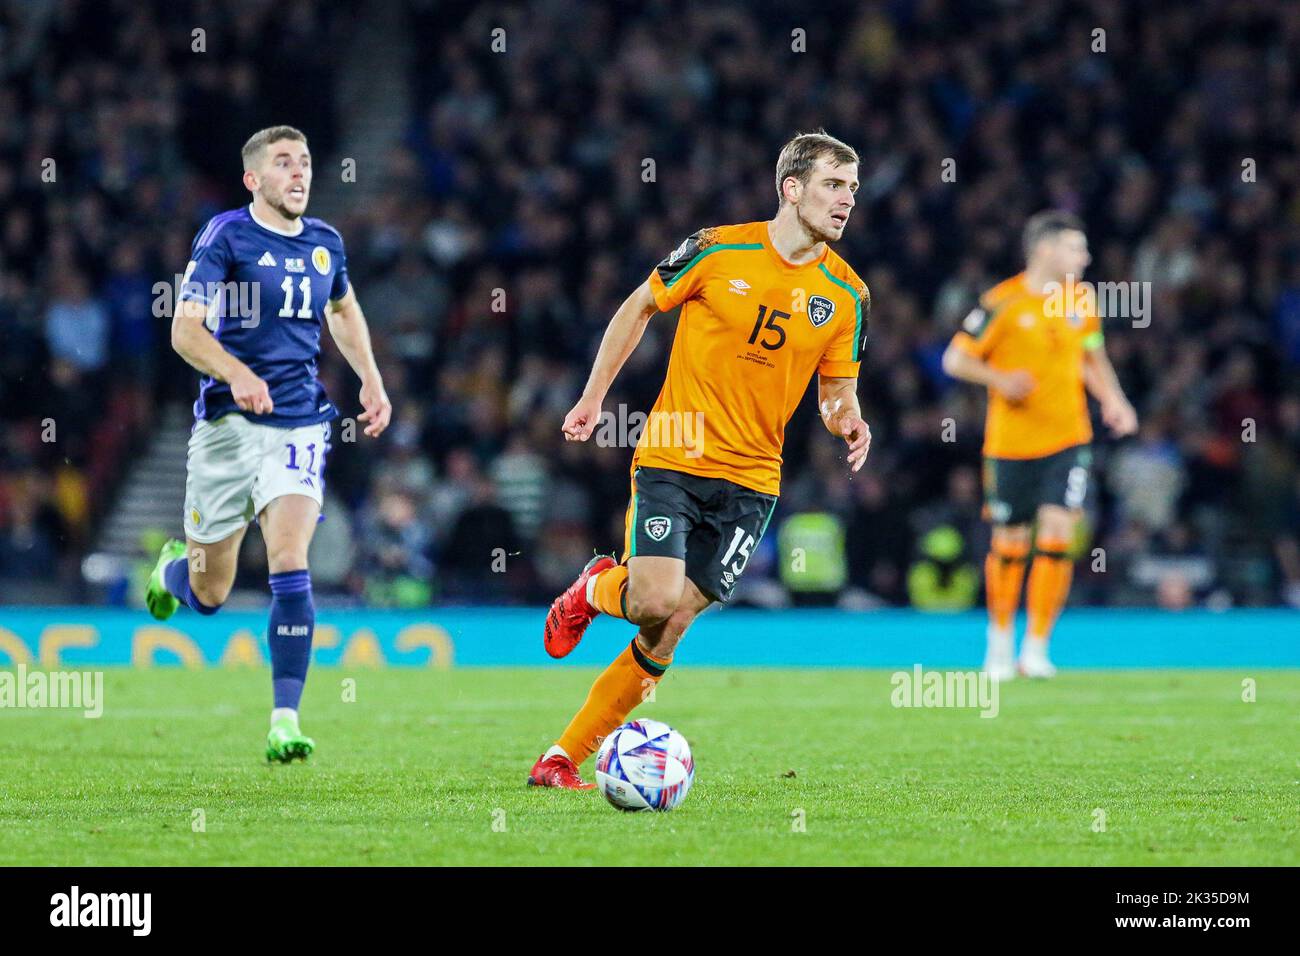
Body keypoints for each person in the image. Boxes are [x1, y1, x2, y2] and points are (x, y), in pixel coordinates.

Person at [528, 130, 872, 789]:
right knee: (653, 597)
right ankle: (597, 587)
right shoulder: (718, 249)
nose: (847, 199)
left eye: (853, 188)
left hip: (753, 482)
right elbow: (639, 306)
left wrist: (848, 421)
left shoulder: (848, 295)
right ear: (792, 189)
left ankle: (560, 759)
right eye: (834, 184)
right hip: (675, 457)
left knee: (670, 626)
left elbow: (836, 393)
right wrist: (594, 397)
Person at [144, 126, 392, 761]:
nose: (299, 173)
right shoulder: (226, 236)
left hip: (300, 423)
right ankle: (173, 572)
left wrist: (370, 378)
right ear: (254, 179)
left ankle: (285, 719)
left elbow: (342, 310)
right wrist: (237, 371)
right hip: (228, 428)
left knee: (288, 558)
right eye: (283, 163)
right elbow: (185, 331)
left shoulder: (325, 243)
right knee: (210, 593)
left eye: (305, 162)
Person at [942, 211, 1137, 680]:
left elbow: (1092, 357)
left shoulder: (1082, 300)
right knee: (1010, 544)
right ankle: (999, 645)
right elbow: (955, 359)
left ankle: (1037, 648)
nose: (1086, 257)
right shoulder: (1003, 302)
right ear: (1045, 250)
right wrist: (999, 378)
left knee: (1057, 537)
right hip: (1009, 445)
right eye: (1076, 248)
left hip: (1068, 438)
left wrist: (1114, 400)